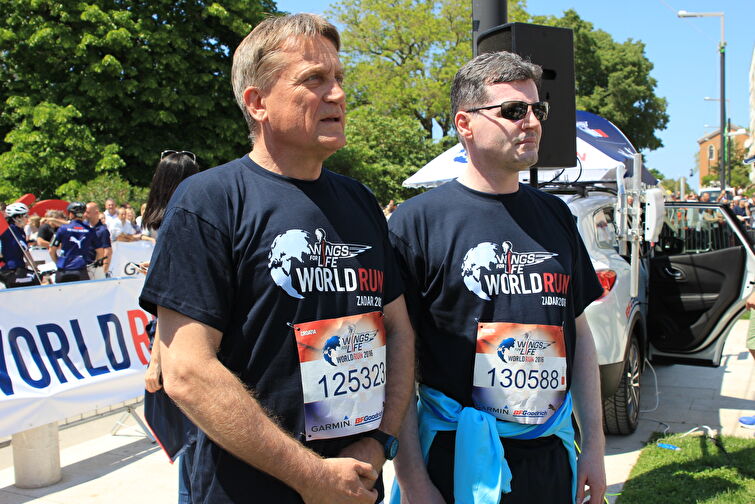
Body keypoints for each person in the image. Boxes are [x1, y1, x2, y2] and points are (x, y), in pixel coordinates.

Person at [138, 13, 415, 504]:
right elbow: (187, 371)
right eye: (314, 79)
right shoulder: (208, 200)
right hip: (245, 489)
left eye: (339, 78)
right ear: (257, 102)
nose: (337, 94)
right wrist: (311, 477)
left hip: (357, 483)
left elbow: (397, 330)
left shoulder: (360, 202)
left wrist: (377, 442)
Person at [388, 51, 606, 504]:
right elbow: (396, 357)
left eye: (537, 109)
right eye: (513, 110)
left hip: (549, 453)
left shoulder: (556, 215)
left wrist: (595, 448)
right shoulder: (416, 223)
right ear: (465, 124)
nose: (531, 121)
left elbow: (580, 335)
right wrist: (411, 478)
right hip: (455, 458)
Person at [139, 149, 201, 504]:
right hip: (177, 339)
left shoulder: (168, 227)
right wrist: (156, 361)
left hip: (174, 338)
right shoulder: (178, 226)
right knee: (192, 442)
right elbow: (169, 303)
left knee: (190, 442)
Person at [50, 201, 98, 283]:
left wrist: (58, 262)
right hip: (81, 270)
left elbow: (51, 250)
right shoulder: (90, 230)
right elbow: (100, 251)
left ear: (71, 214)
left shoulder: (62, 229)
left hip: (63, 270)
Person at [0, 203, 39, 288]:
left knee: (38, 277)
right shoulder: (8, 230)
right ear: (17, 218)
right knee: (37, 279)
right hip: (10, 270)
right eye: (25, 216)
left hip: (19, 269)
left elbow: (25, 252)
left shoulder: (21, 231)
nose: (28, 218)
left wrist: (35, 268)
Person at [84, 202, 112, 279]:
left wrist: (104, 270)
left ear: (96, 213)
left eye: (88, 212)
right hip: (83, 267)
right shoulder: (83, 226)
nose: (85, 215)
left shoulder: (103, 230)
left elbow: (107, 251)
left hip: (94, 268)